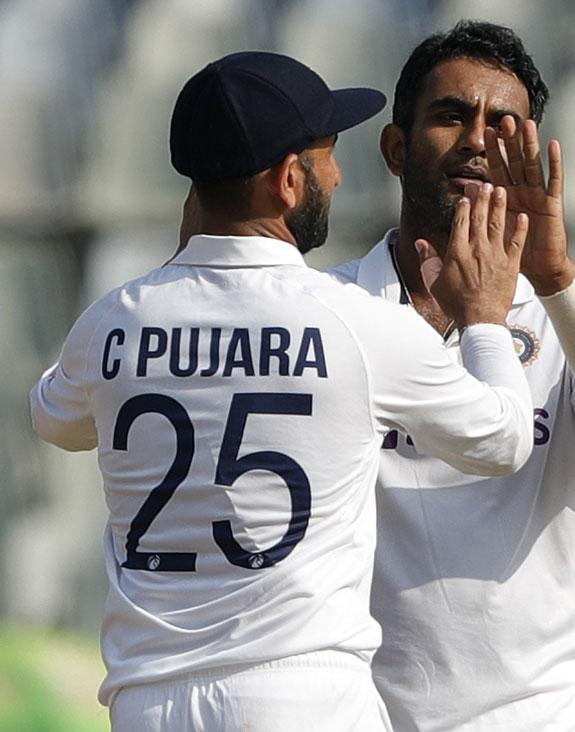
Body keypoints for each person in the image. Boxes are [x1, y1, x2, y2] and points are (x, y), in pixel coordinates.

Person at [29, 51, 535, 731]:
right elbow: (503, 440)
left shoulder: (112, 322)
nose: (338, 172)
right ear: (289, 181)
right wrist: (485, 319)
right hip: (301, 695)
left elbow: (55, 419)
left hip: (146, 703)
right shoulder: (355, 322)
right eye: (326, 156)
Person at [326, 21, 575, 731]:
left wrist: (553, 278)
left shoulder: (572, 308)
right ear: (396, 148)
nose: (476, 140)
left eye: (504, 125)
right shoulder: (332, 313)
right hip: (366, 711)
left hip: (539, 715)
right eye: (450, 116)